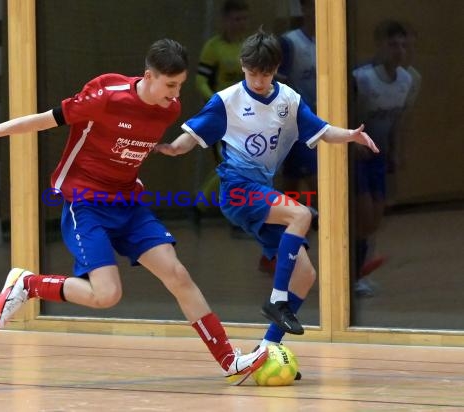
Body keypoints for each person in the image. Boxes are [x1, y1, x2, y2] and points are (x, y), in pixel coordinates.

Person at [0, 38, 266, 385]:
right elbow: (44, 120)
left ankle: (229, 359)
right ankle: (29, 283)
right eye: (170, 85)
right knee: (106, 295)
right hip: (85, 202)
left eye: (181, 86)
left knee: (178, 275)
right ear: (148, 76)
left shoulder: (168, 109)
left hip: (128, 203)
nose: (175, 95)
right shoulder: (106, 94)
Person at [155, 28, 379, 336]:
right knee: (301, 213)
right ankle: (277, 299)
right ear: (244, 67)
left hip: (262, 192)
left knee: (305, 274)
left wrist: (350, 136)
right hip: (237, 190)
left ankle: (268, 348)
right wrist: (168, 148)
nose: (258, 81)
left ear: (276, 70)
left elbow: (322, 130)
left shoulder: (288, 100)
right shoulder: (227, 101)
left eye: (265, 74)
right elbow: (188, 140)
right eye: (252, 74)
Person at [352, 20, 415, 297]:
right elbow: (342, 113)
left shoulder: (407, 80)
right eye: (392, 44)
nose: (398, 50)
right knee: (363, 216)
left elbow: (398, 121)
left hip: (379, 157)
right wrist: (352, 141)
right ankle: (350, 275)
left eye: (403, 44)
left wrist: (397, 151)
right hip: (356, 157)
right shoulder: (363, 78)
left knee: (375, 220)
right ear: (380, 46)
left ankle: (358, 273)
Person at [260, 0, 318, 274]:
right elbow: (275, 84)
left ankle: (291, 249)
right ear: (304, 9)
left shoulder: (331, 43)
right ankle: (277, 251)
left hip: (319, 125)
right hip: (294, 128)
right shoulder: (290, 43)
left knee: (316, 190)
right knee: (297, 187)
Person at [195, 0, 250, 217]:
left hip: (248, 113)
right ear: (225, 21)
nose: (241, 23)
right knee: (231, 166)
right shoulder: (213, 47)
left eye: (244, 19)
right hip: (222, 115)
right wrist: (215, 101)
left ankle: (199, 205)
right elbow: (200, 80)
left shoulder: (250, 47)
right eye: (236, 19)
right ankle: (234, 215)